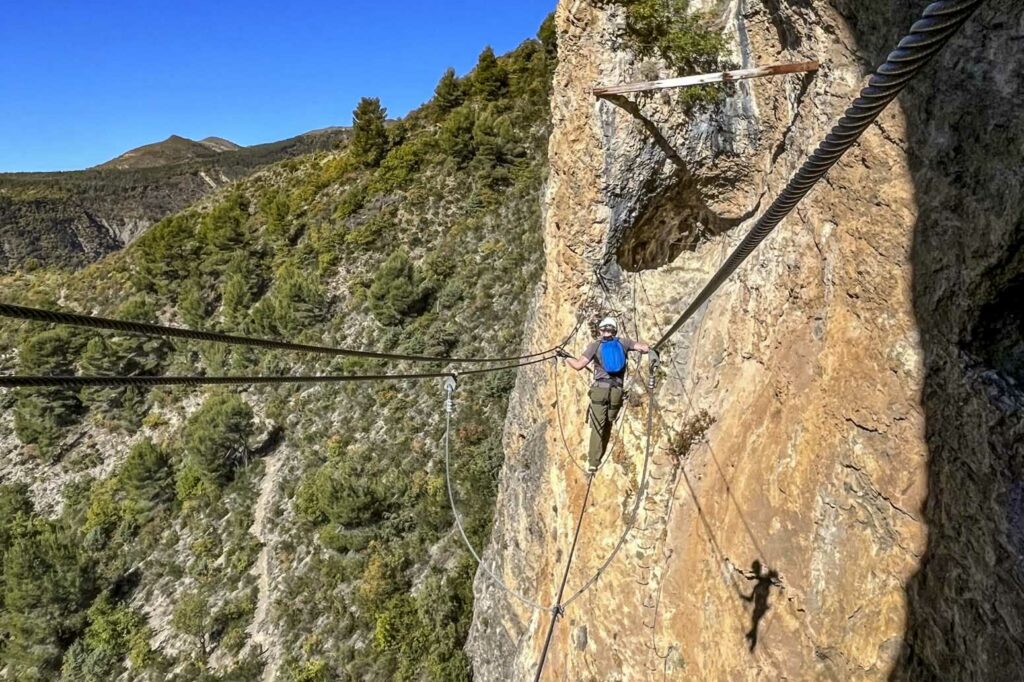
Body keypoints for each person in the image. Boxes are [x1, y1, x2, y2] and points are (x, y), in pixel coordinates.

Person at [558, 317, 650, 474]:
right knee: (609, 420)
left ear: (600, 330)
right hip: (617, 391)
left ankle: (593, 463)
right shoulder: (624, 342)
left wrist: (565, 357)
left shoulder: (595, 346)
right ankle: (608, 430)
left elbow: (579, 365)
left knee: (597, 426)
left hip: (600, 390)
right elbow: (644, 348)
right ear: (614, 330)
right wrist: (645, 345)